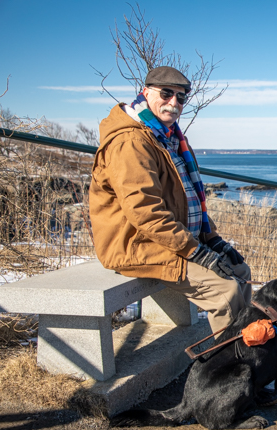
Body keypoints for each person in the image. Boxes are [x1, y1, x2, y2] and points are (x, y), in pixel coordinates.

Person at [89, 66, 252, 341]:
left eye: (180, 97)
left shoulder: (170, 138)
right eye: (166, 94)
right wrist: (196, 252)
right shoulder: (131, 142)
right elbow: (146, 212)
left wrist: (213, 240)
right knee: (226, 292)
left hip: (168, 239)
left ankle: (249, 348)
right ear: (145, 92)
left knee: (240, 271)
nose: (174, 103)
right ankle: (230, 369)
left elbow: (189, 200)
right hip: (136, 244)